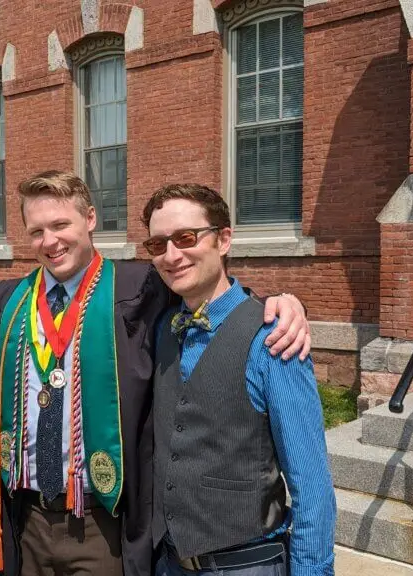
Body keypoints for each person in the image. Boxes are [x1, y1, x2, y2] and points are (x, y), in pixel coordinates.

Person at [0, 170, 313, 576]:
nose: (50, 241)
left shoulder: (136, 290)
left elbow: (203, 291)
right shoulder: (9, 305)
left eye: (60, 225)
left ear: (90, 218)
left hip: (102, 524)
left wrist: (273, 303)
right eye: (36, 231)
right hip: (28, 519)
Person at [142, 183, 335, 576]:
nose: (172, 255)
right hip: (169, 563)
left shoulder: (272, 339)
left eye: (186, 237)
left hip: (247, 564)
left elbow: (311, 485)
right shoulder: (163, 328)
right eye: (158, 244)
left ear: (224, 239)